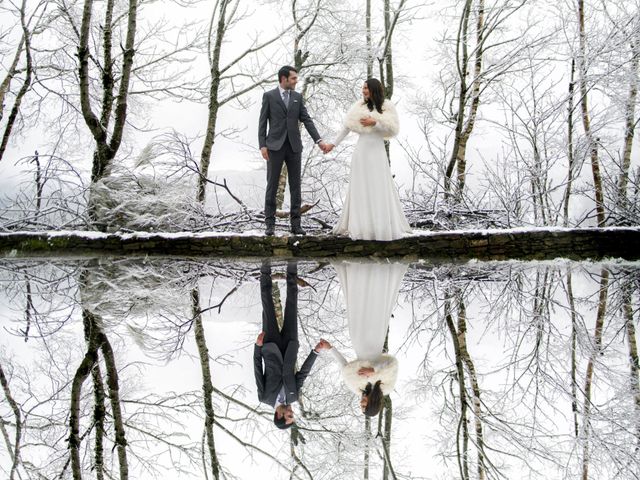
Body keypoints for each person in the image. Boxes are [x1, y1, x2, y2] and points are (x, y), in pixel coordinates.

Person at [325, 79, 412, 241]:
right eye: (363, 88)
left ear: (374, 89)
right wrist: (332, 144)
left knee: (378, 186)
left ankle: (380, 227)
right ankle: (361, 227)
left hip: (377, 151)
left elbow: (392, 128)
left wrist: (375, 122)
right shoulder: (358, 106)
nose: (363, 90)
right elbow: (346, 127)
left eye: (366, 88)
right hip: (362, 151)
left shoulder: (387, 106)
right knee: (361, 186)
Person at [254, 260, 332, 429]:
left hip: (270, 346)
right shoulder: (293, 396)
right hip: (290, 344)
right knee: (292, 304)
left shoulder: (265, 397)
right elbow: (303, 374)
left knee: (268, 304)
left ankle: (265, 267)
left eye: (288, 415)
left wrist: (258, 346)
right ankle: (292, 264)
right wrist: (316, 351)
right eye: (292, 415)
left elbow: (258, 370)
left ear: (279, 415)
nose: (291, 412)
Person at [327, 260, 407, 416]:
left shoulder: (356, 387)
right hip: (375, 340)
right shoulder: (386, 386)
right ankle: (376, 269)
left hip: (358, 342)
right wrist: (374, 370)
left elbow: (344, 367)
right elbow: (392, 363)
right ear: (372, 404)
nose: (361, 405)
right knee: (375, 307)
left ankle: (358, 271)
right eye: (364, 407)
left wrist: (330, 349)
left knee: (357, 309)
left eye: (361, 407)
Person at [258, 66, 329, 236]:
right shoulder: (269, 96)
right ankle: (270, 224)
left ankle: (296, 225)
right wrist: (262, 145)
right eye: (293, 78)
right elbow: (262, 122)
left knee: (295, 186)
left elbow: (306, 119)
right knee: (272, 185)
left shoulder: (297, 97)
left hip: (294, 147)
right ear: (283, 79)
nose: (296, 81)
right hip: (274, 147)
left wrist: (318, 141)